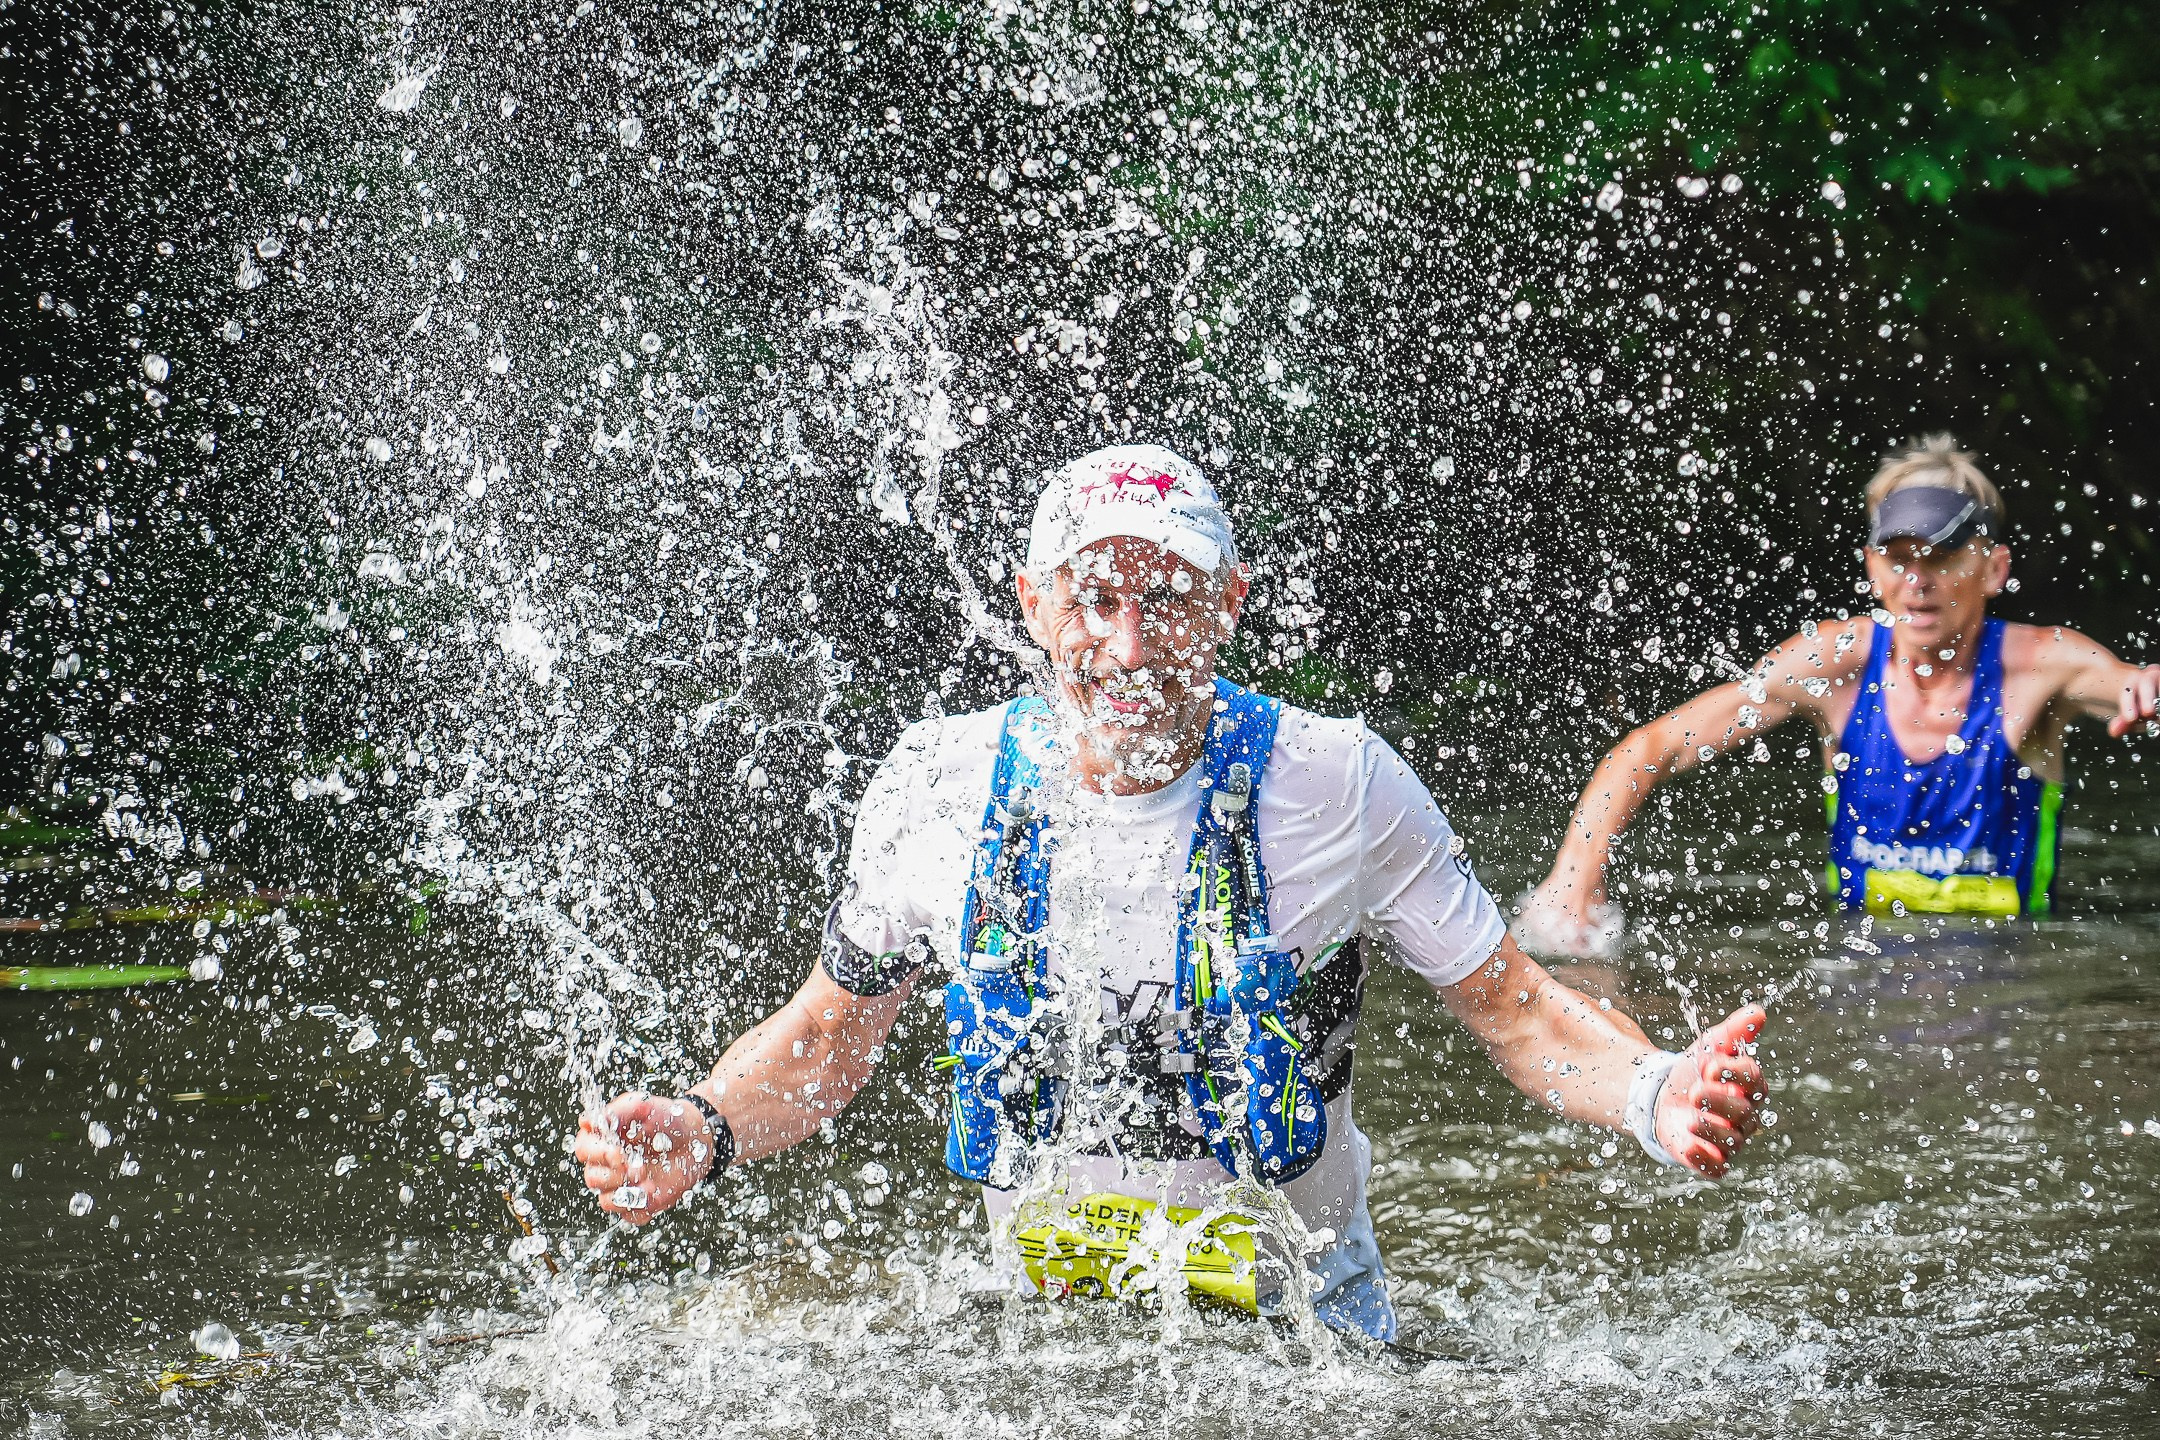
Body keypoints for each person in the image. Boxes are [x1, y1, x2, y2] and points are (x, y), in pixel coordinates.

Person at [573, 444, 1770, 1341]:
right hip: (1049, 1340)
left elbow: (1519, 1012)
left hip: (1308, 1343)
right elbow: (828, 1037)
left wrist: (1654, 1091)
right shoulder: (935, 789)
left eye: (1171, 601)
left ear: (1233, 602)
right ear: (1035, 604)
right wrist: (711, 1125)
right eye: (1095, 600)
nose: (1131, 648)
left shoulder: (1338, 783)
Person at [1522, 434, 2160, 957]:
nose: (1917, 582)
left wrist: (2146, 689)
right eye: (1898, 556)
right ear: (1870, 567)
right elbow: (1652, 748)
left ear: (1993, 568)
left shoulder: (2041, 665)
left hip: (2017, 962)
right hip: (1859, 960)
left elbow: (2131, 683)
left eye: (1940, 557)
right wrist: (1574, 879)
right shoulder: (1835, 665)